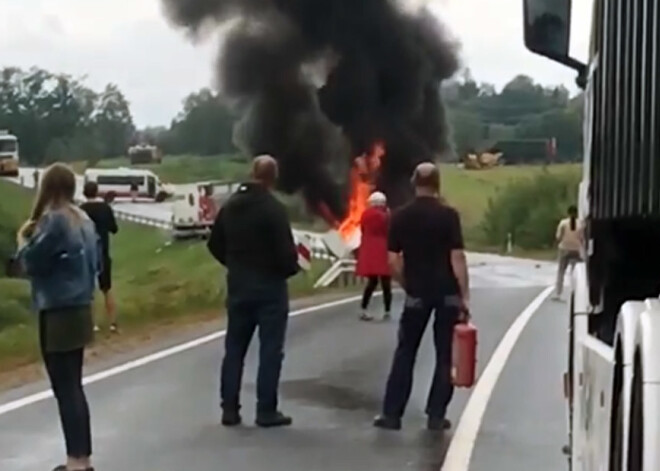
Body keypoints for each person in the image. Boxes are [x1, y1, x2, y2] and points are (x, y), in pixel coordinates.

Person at [374, 162, 469, 432]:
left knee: (406, 352)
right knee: (444, 355)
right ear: (438, 184)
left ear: (414, 183)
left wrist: (407, 284)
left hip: (417, 293)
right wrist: (464, 295)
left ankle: (392, 415)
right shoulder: (449, 216)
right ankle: (436, 415)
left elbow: (392, 261)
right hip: (447, 293)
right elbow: (457, 257)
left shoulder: (400, 216)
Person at [17, 163, 99, 471]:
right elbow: (97, 264)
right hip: (80, 305)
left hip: (58, 308)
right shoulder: (85, 220)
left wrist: (24, 241)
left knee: (65, 388)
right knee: (74, 385)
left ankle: (76, 461)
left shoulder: (53, 221)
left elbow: (32, 262)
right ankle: (82, 457)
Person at [207, 155, 300, 428]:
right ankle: (266, 410)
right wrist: (289, 269)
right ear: (273, 177)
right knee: (270, 350)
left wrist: (234, 264)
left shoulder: (231, 206)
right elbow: (286, 253)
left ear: (252, 172)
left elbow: (214, 244)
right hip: (269, 289)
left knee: (234, 349)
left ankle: (229, 409)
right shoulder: (273, 209)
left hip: (239, 286)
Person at [80, 181, 119, 332]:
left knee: (89, 291)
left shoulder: (81, 210)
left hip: (86, 254)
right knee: (107, 289)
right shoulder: (105, 208)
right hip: (103, 251)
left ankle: (93, 325)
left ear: (84, 193)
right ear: (96, 192)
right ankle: (112, 323)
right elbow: (114, 229)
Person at [356, 191, 392, 321]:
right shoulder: (385, 216)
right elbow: (388, 230)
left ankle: (363, 309)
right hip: (383, 250)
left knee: (372, 281)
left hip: (369, 250)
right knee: (386, 283)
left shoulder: (365, 215)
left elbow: (363, 230)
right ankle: (387, 311)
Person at [553, 205, 583, 300]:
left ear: (568, 213)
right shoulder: (581, 224)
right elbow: (582, 238)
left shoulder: (563, 223)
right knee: (575, 273)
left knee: (561, 272)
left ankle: (558, 294)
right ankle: (575, 294)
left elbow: (558, 237)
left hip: (564, 249)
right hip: (576, 250)